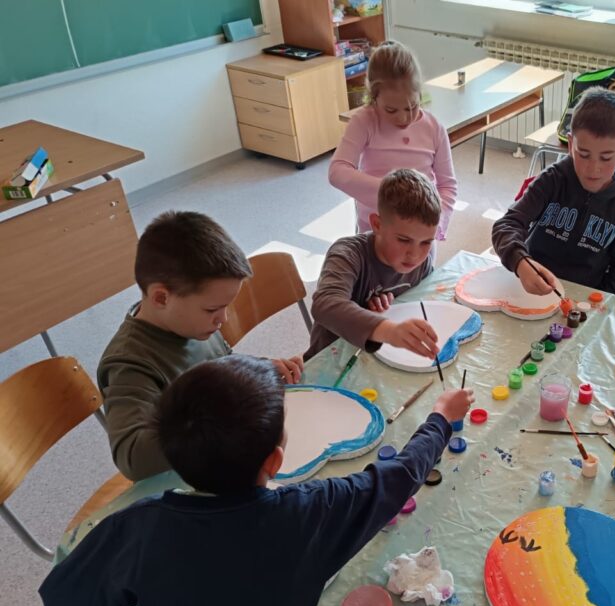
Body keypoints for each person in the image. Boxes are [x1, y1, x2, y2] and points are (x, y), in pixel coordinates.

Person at [39, 354, 474, 606]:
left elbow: (65, 602)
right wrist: (440, 418)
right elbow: (396, 478)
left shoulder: (137, 526)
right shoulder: (306, 514)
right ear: (276, 460)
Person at [98, 211, 303, 482]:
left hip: (219, 461)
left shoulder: (192, 325)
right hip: (184, 482)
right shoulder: (129, 364)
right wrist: (221, 418)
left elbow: (221, 365)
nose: (223, 319)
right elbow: (133, 456)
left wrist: (256, 371)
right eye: (212, 309)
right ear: (161, 298)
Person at [491, 87, 615, 304]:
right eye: (584, 154)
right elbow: (506, 225)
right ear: (571, 145)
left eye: (606, 158)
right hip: (531, 290)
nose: (593, 168)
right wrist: (521, 263)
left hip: (584, 301)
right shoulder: (552, 180)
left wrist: (595, 302)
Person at [306, 168, 443, 360]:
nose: (415, 255)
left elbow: (419, 303)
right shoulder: (348, 254)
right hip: (334, 358)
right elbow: (325, 304)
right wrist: (388, 329)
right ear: (377, 225)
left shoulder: (422, 262)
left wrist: (390, 310)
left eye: (427, 242)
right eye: (403, 240)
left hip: (385, 355)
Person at [328, 41, 457, 242]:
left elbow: (448, 186)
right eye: (391, 110)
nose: (403, 118)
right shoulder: (364, 121)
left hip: (419, 237)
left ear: (419, 94)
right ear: (374, 98)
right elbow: (337, 172)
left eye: (411, 107)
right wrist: (390, 194)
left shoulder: (434, 128)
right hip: (375, 232)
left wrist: (436, 222)